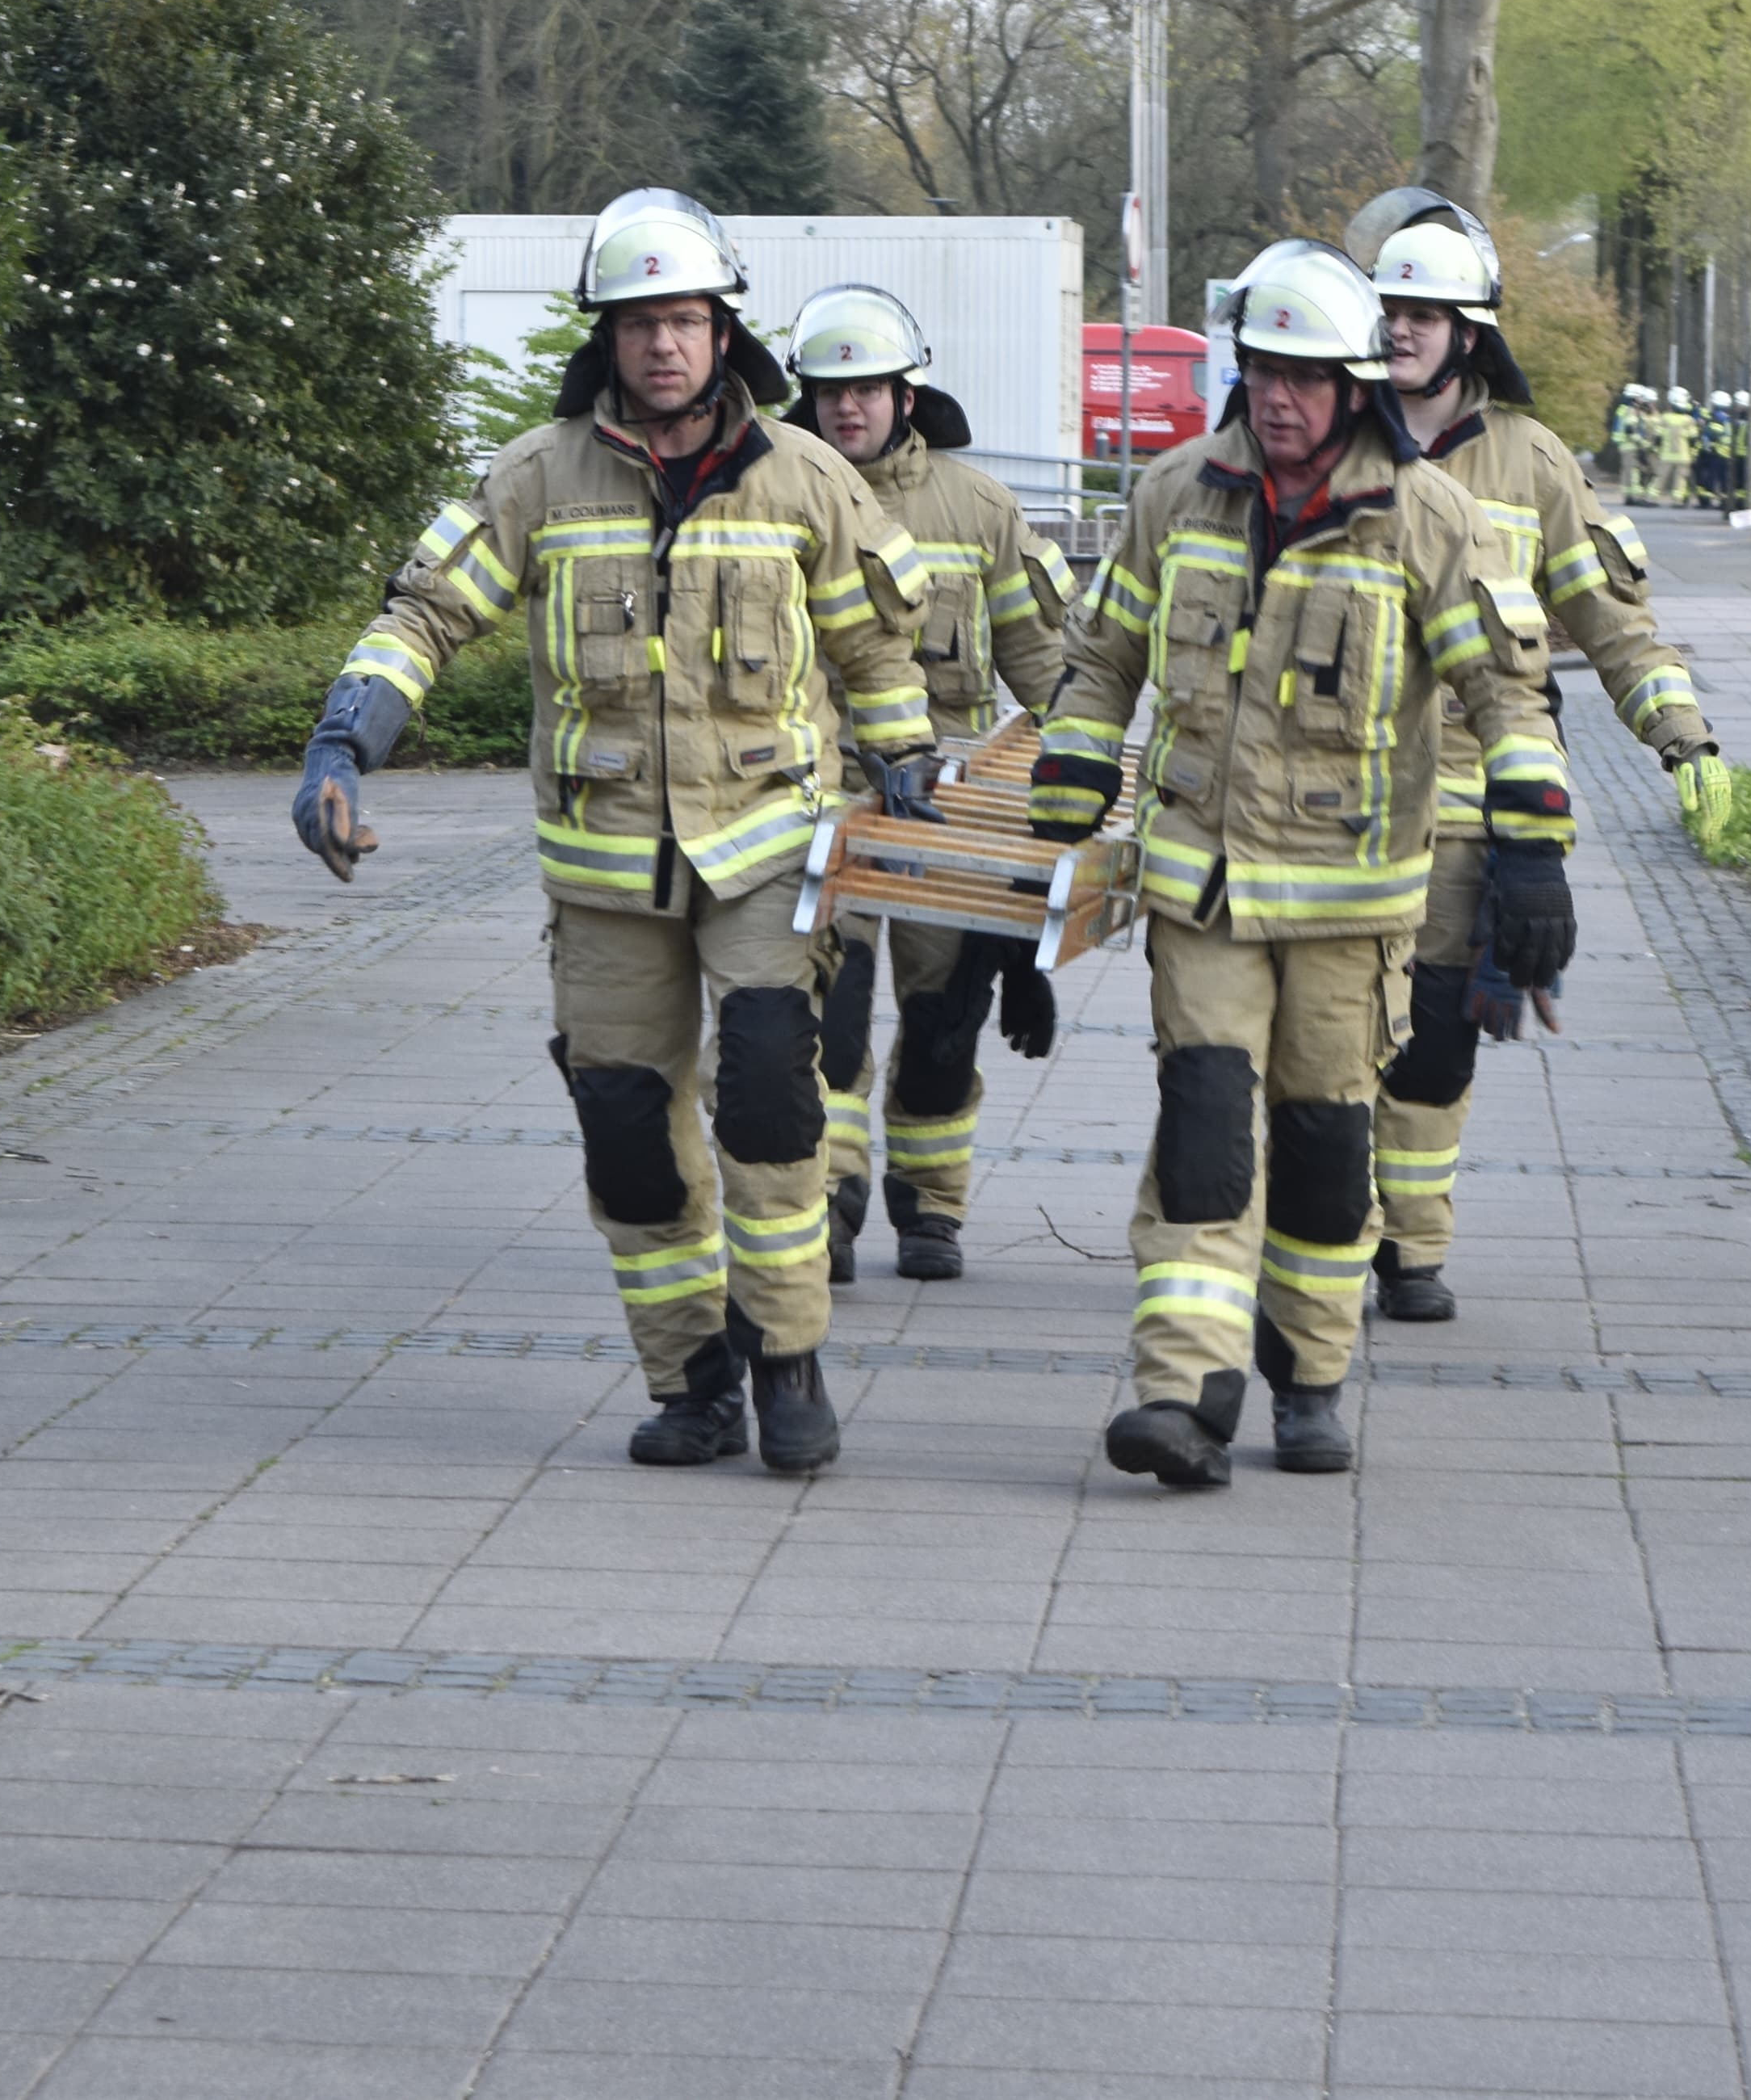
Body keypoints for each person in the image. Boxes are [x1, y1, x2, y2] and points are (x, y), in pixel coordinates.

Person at [295, 188, 943, 1476]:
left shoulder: (805, 477)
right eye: (641, 322)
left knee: (770, 1096)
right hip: (605, 875)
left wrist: (908, 761)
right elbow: (425, 614)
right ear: (608, 336)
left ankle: (787, 1356)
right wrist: (342, 742)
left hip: (765, 846)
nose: (664, 344)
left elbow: (876, 648)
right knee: (628, 1127)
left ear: (723, 332)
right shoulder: (536, 477)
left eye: (686, 319)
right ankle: (692, 1380)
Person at [1031, 242, 1573, 1489]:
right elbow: (1103, 654)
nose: (1279, 398)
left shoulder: (1427, 517)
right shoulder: (1176, 494)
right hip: (1205, 891)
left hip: (1352, 903)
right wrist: (1072, 767)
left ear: (1354, 386)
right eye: (1263, 372)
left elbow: (1507, 692)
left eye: (1307, 377)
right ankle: (1184, 1391)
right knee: (1206, 1127)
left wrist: (1536, 848)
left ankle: (1311, 1375)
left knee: (1327, 1146)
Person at [1354, 190, 1736, 1321]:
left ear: (1469, 333)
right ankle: (1324, 1231)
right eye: (1389, 310)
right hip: (1334, 794)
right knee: (1326, 1028)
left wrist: (1682, 735)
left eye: (1425, 314)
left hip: (1471, 797)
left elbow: (1613, 622)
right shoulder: (1334, 435)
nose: (1402, 329)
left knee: (1434, 1039)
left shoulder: (1533, 462)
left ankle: (1411, 1248)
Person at [783, 282, 1072, 1283]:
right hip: (821, 802)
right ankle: (829, 1199)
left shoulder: (978, 508)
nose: (846, 406)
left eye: (866, 388)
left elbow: (1051, 679)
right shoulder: (775, 492)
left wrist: (1052, 850)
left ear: (905, 396)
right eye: (829, 391)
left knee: (946, 1016)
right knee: (831, 1012)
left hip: (952, 809)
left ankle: (931, 1205)